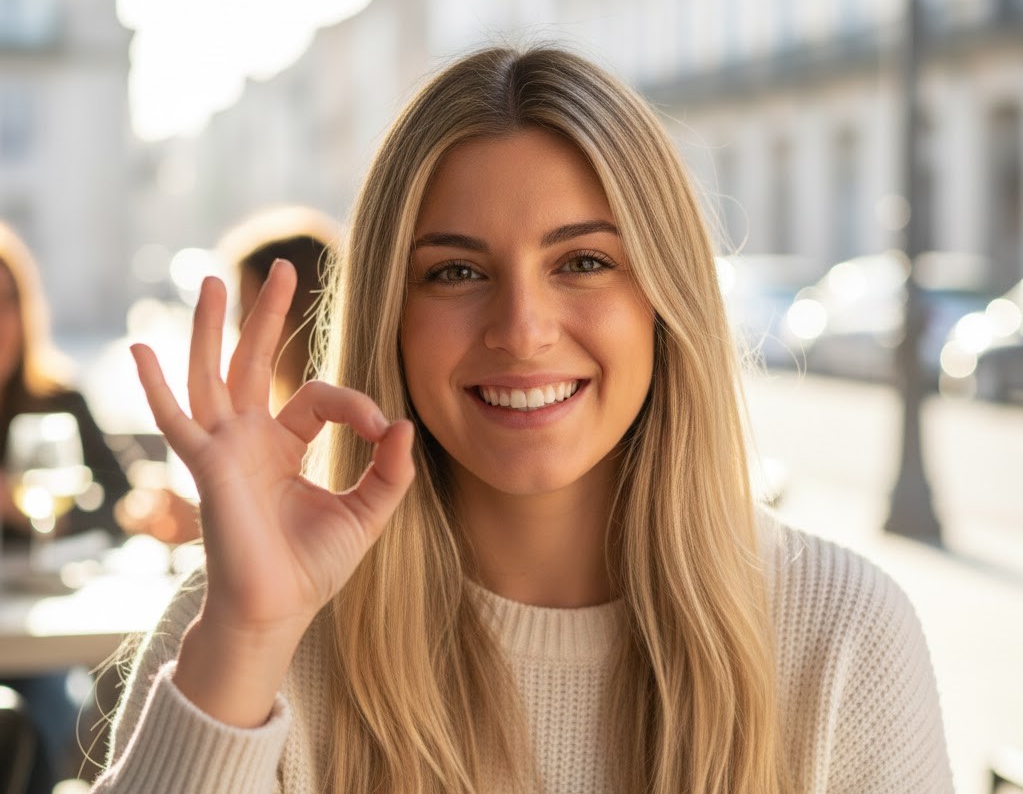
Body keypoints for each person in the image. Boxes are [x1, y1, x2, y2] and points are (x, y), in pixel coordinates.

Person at [92, 47, 953, 793]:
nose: (521, 329)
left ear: (664, 299)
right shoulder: (246, 610)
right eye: (455, 273)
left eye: (582, 261)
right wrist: (245, 638)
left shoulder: (842, 632)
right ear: (389, 316)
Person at [113, 205, 341, 544]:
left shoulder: (336, 430)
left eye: (247, 309)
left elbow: (310, 541)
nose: (238, 325)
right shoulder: (274, 419)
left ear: (299, 314)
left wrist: (204, 525)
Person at [0, 221, 132, 792]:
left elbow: (118, 502)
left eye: (7, 301)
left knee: (54, 714)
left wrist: (28, 512)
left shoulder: (58, 400)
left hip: (39, 624)